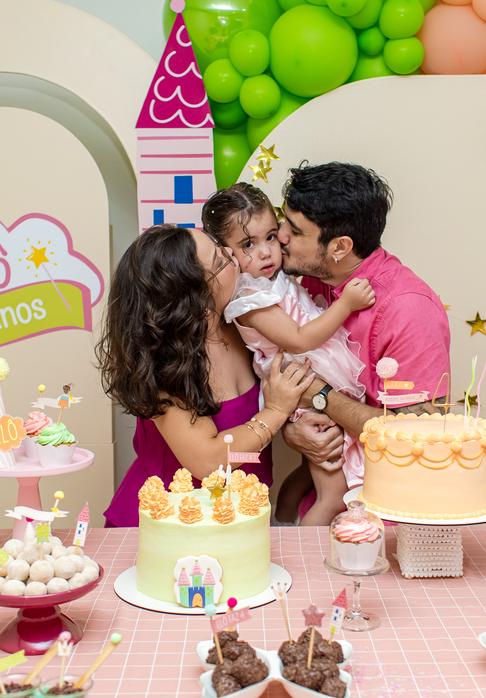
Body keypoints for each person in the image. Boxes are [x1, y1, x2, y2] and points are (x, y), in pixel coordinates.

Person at [97, 225, 314, 528]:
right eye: (220, 260)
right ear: (195, 293)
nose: (232, 255)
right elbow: (210, 462)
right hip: (172, 524)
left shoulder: (242, 326)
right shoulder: (165, 364)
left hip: (240, 517)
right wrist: (276, 411)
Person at [274, 162, 452, 523]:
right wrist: (291, 431)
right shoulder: (310, 277)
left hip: (382, 524)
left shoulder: (408, 310)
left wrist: (320, 395)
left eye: (295, 230)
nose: (280, 235)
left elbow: (415, 434)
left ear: (340, 247)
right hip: (315, 508)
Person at [202, 183, 375, 526]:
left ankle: (282, 523)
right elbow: (298, 340)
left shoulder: (269, 279)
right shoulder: (248, 299)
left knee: (308, 475)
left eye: (271, 237)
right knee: (334, 496)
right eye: (248, 244)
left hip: (313, 374)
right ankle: (299, 552)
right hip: (301, 382)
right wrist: (346, 304)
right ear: (224, 252)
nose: (266, 252)